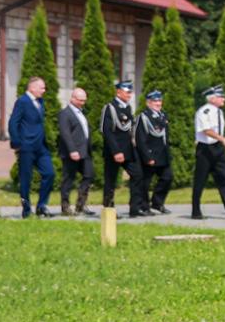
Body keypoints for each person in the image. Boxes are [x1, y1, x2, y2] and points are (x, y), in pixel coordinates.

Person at [190, 85, 225, 220]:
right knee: (200, 180)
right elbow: (206, 130)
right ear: (212, 99)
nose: (223, 99)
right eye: (221, 97)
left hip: (217, 148)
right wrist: (224, 140)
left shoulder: (219, 112)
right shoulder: (204, 111)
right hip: (205, 149)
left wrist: (222, 142)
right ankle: (195, 210)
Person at [7, 77, 54, 218]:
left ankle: (41, 206)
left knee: (49, 173)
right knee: (26, 179)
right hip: (26, 146)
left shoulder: (40, 101)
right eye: (42, 88)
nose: (44, 91)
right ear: (32, 88)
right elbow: (13, 122)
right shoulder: (22, 101)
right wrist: (16, 143)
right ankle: (26, 209)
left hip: (41, 146)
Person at [130, 90, 172, 216]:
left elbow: (165, 136)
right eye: (155, 101)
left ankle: (157, 202)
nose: (158, 103)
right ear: (148, 103)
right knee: (145, 182)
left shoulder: (163, 115)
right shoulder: (143, 117)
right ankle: (144, 206)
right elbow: (140, 139)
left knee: (168, 177)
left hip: (162, 155)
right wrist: (147, 156)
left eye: (160, 100)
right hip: (150, 155)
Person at [99, 81, 138, 214]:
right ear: (118, 92)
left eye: (130, 92)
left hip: (128, 151)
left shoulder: (127, 108)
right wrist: (116, 151)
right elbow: (107, 131)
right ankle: (109, 210)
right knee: (110, 180)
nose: (129, 95)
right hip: (114, 151)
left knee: (137, 175)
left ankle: (135, 208)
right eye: (127, 92)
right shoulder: (110, 108)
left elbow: (129, 128)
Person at [55, 87, 95, 216]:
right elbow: (65, 133)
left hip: (85, 151)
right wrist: (72, 150)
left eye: (84, 100)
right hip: (71, 153)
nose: (83, 103)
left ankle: (80, 205)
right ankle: (65, 206)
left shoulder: (81, 112)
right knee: (68, 179)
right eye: (80, 100)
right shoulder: (65, 113)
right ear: (72, 98)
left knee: (89, 175)